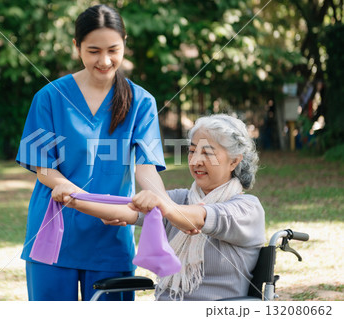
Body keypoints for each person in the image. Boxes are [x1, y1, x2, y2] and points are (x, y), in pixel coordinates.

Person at [16, 4, 167, 301]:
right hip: (54, 235)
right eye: (93, 51)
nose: (105, 60)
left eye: (113, 49)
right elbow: (44, 169)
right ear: (77, 47)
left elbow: (146, 169)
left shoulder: (141, 102)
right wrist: (80, 197)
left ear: (125, 43)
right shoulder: (49, 97)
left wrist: (165, 209)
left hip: (110, 239)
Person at [66, 114, 266, 301]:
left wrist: (162, 204)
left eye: (207, 153)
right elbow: (125, 210)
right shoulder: (180, 198)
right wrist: (73, 199)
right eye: (192, 151)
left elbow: (200, 217)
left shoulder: (247, 209)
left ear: (234, 161)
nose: (195, 160)